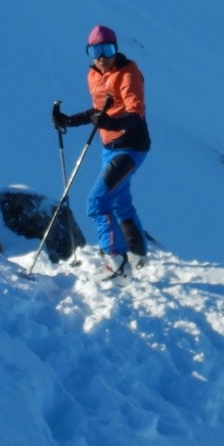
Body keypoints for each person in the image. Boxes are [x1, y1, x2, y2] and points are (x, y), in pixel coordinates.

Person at [52, 24, 151, 277]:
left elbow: (135, 114)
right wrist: (68, 121)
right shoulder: (94, 75)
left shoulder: (128, 73)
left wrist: (110, 123)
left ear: (116, 49)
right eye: (95, 51)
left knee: (97, 202)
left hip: (131, 147)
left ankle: (115, 261)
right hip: (109, 147)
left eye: (107, 50)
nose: (101, 58)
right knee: (119, 201)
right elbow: (97, 112)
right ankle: (137, 254)